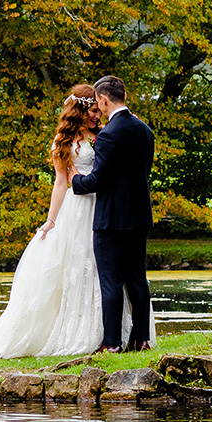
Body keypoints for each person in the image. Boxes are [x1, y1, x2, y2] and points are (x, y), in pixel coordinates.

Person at [0, 84, 107, 358]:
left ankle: (104, 329)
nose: (97, 115)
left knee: (97, 268)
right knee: (76, 267)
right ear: (81, 110)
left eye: (98, 110)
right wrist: (51, 220)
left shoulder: (102, 135)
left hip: (101, 205)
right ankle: (75, 330)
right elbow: (60, 183)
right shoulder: (64, 140)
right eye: (93, 110)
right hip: (77, 207)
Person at [69, 74, 155, 352]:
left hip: (110, 220)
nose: (98, 107)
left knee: (111, 282)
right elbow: (142, 173)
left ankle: (112, 344)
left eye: (98, 102)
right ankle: (142, 340)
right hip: (139, 217)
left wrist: (74, 180)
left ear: (104, 99)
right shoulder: (145, 130)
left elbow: (98, 180)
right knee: (137, 280)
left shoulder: (108, 135)